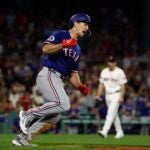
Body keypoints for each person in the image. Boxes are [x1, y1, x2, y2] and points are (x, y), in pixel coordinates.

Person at [12, 13, 91, 146]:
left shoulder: (77, 49)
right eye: (85, 24)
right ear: (76, 23)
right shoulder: (61, 34)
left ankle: (22, 139)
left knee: (54, 117)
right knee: (63, 104)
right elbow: (45, 49)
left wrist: (80, 86)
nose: (87, 27)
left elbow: (73, 74)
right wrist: (63, 44)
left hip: (59, 80)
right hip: (49, 74)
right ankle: (28, 114)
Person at [95, 55, 127, 139]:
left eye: (112, 62)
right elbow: (101, 84)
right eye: (109, 61)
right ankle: (120, 131)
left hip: (117, 94)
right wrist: (98, 94)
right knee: (114, 114)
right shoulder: (104, 71)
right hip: (107, 95)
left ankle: (104, 131)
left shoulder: (120, 72)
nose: (110, 63)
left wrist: (121, 96)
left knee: (110, 113)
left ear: (115, 63)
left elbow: (123, 86)